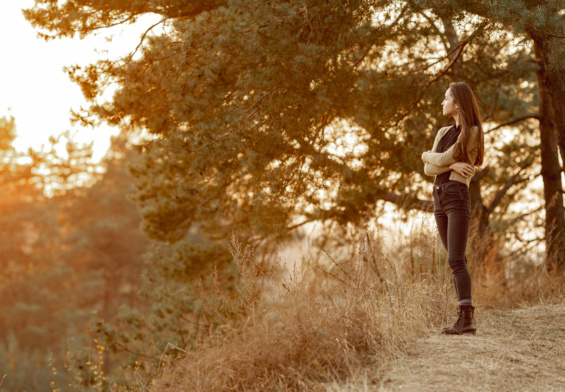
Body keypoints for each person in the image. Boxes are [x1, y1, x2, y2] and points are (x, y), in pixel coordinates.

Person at [421, 82, 485, 335]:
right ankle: (465, 315)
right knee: (455, 259)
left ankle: (466, 318)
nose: (442, 102)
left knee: (456, 259)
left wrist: (429, 156)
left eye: (446, 98)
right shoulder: (443, 131)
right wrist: (448, 165)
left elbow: (441, 158)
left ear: (457, 103)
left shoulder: (473, 132)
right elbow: (430, 169)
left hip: (457, 196)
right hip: (438, 196)